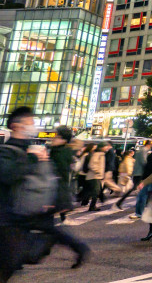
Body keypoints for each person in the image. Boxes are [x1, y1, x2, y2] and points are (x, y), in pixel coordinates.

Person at [0, 108, 90, 281]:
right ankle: (78, 248)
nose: (33, 126)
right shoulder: (8, 150)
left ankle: (78, 248)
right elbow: (8, 175)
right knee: (11, 261)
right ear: (16, 126)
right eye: (30, 122)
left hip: (24, 212)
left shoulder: (37, 149)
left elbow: (51, 177)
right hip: (11, 213)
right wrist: (33, 159)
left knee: (11, 260)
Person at [49, 126, 76, 223]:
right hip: (53, 184)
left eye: (57, 136)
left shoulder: (64, 151)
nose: (54, 138)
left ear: (64, 140)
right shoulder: (54, 149)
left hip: (57, 184)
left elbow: (63, 170)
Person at [118, 140, 152, 209]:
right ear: (149, 145)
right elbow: (144, 162)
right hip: (140, 173)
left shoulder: (140, 150)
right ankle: (120, 202)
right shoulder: (143, 151)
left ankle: (143, 203)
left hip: (137, 172)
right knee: (142, 188)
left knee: (139, 188)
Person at [84, 143, 106, 211]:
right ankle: (92, 206)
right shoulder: (97, 155)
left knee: (96, 191)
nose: (107, 148)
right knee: (96, 192)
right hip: (94, 176)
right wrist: (97, 171)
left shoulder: (101, 154)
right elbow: (91, 165)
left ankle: (90, 205)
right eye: (105, 146)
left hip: (96, 176)